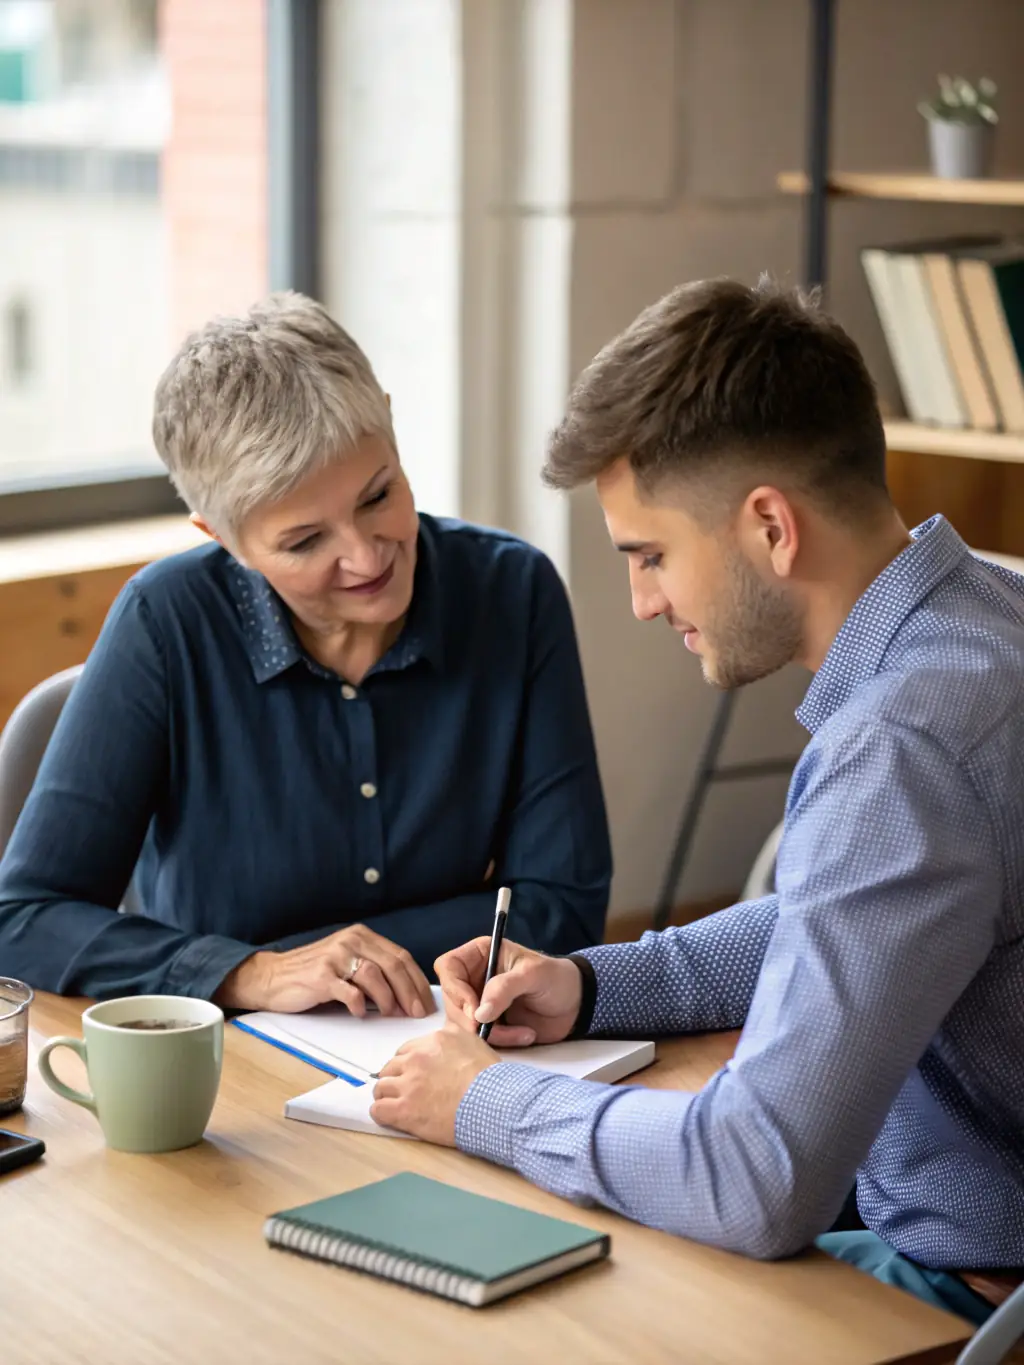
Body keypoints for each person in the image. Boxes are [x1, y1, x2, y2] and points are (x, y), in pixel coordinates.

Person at [370, 277, 1024, 1326]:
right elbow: (852, 915)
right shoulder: (991, 610)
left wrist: (482, 1099)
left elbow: (753, 1178)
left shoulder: (902, 746)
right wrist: (590, 986)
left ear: (769, 526)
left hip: (973, 1297)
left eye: (651, 556)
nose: (642, 602)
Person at [0, 293, 610, 1014]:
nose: (367, 556)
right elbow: (24, 919)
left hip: (446, 1040)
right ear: (223, 538)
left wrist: (333, 964)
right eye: (305, 541)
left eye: (377, 496)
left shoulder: (513, 591)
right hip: (226, 1057)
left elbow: (562, 907)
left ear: (390, 425)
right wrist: (256, 974)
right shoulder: (164, 624)